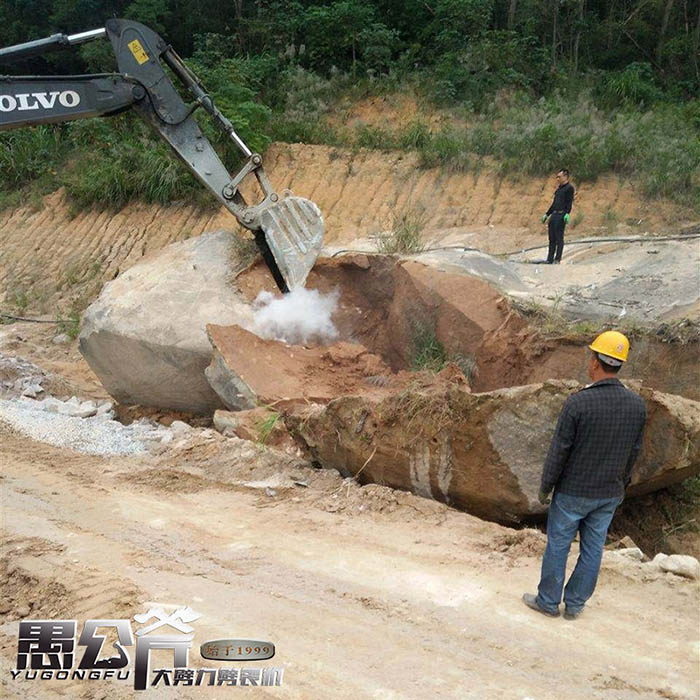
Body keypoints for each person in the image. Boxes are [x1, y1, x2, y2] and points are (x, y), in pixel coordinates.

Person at [522, 330, 646, 620]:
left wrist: (545, 486)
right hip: (608, 494)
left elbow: (559, 451)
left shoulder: (578, 403)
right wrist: (622, 485)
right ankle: (575, 604)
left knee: (559, 546)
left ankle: (548, 602)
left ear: (595, 362)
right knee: (593, 550)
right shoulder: (636, 405)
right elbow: (634, 451)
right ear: (619, 364)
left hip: (573, 493)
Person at [541, 169, 575, 264]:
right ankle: (549, 259)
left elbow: (569, 202)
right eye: (557, 177)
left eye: (559, 177)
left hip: (561, 215)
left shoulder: (569, 188)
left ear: (565, 176)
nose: (557, 179)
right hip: (554, 215)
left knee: (559, 238)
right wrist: (547, 214)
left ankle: (557, 259)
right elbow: (554, 203)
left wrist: (567, 213)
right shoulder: (559, 189)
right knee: (551, 238)